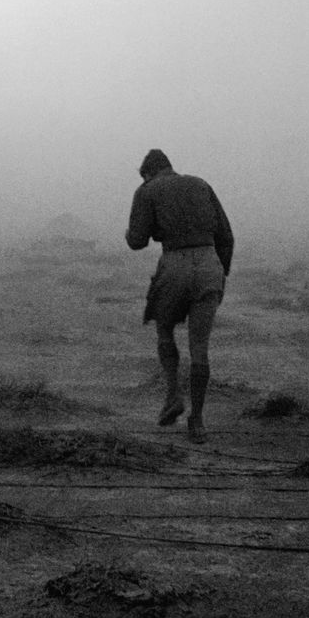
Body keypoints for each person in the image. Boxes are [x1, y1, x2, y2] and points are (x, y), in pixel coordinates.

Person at [125, 149, 233, 443]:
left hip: (175, 262)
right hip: (209, 263)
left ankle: (173, 395)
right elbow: (226, 236)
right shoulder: (200, 184)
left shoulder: (147, 190)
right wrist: (220, 274)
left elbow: (137, 241)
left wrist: (129, 232)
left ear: (147, 173)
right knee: (200, 347)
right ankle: (197, 421)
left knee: (164, 329)